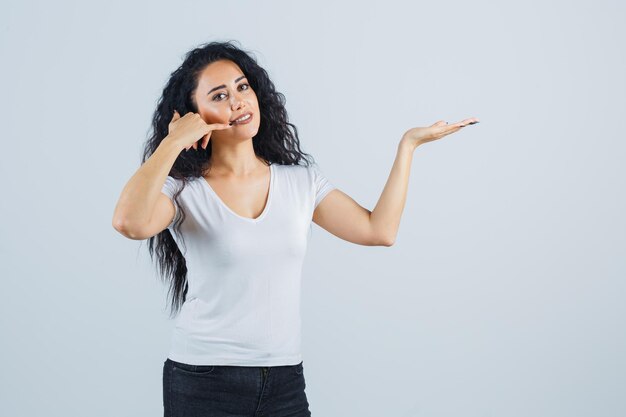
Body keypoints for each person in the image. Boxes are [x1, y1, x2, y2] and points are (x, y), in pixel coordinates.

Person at [112, 40, 479, 417]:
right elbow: (130, 222)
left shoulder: (301, 183)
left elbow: (378, 230)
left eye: (242, 87)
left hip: (284, 380)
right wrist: (173, 142)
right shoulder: (185, 190)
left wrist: (408, 145)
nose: (238, 101)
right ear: (195, 114)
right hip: (204, 381)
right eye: (219, 95)